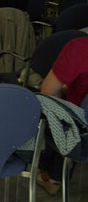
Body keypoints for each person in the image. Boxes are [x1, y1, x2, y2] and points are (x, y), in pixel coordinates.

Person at [38, 36, 88, 194]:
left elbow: (48, 92)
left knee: (50, 111)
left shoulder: (80, 47)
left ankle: (53, 178)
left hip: (82, 138)